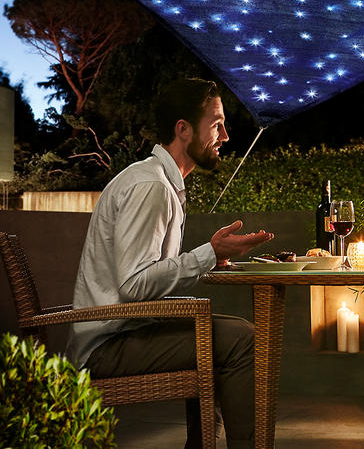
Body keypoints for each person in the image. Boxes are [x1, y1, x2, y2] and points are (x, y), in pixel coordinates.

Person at [66, 78, 274, 449]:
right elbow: (133, 286)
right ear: (183, 129)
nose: (225, 135)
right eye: (216, 123)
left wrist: (213, 257)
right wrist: (208, 253)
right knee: (242, 340)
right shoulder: (152, 187)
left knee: (220, 331)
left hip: (124, 334)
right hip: (107, 347)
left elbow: (142, 277)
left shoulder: (158, 182)